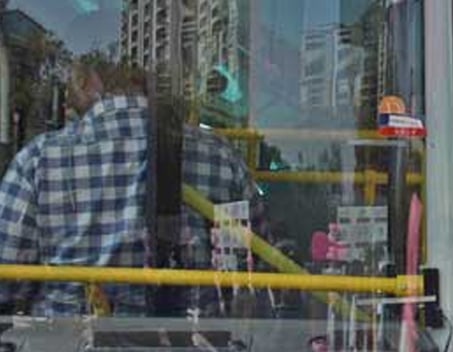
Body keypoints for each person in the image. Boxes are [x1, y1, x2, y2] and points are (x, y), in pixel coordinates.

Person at [0, 52, 261, 317]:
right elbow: (241, 267)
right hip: (197, 347)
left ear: (88, 81)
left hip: (68, 347)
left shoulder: (38, 160)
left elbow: (7, 280)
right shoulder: (221, 155)